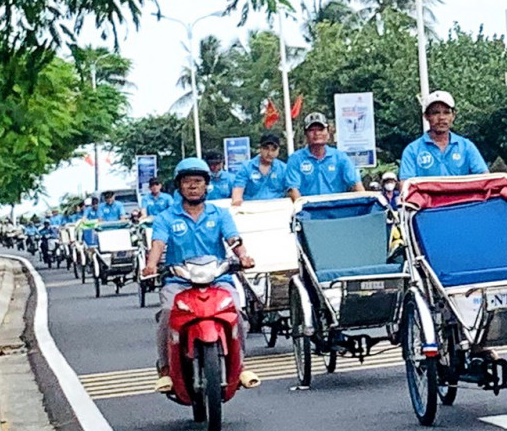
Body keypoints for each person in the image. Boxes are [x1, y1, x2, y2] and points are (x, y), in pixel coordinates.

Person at [145, 157, 256, 391]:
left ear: (207, 185)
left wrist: (243, 255)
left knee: (236, 312)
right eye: (187, 182)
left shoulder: (220, 214)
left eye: (198, 181)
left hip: (218, 279)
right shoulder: (166, 217)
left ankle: (242, 365)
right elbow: (157, 243)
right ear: (179, 186)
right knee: (167, 313)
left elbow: (233, 238)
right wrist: (151, 265)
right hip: (179, 281)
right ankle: (165, 369)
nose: (193, 186)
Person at [398, 90, 488, 180]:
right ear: (426, 116)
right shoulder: (412, 150)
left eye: (446, 112)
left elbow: (484, 179)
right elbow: (406, 186)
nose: (441, 117)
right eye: (435, 113)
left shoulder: (466, 147)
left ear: (453, 116)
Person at [283, 112, 364, 199]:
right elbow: (293, 190)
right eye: (311, 130)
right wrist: (302, 210)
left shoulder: (340, 157)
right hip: (309, 210)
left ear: (328, 133)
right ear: (305, 134)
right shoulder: (296, 159)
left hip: (337, 208)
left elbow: (356, 185)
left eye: (321, 129)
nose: (317, 133)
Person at [231, 132, 291, 203]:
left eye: (273, 150)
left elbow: (292, 188)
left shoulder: (284, 168)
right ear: (260, 149)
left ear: (278, 150)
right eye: (266, 149)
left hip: (277, 208)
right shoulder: (246, 167)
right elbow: (238, 188)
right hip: (252, 209)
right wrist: (237, 200)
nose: (270, 153)